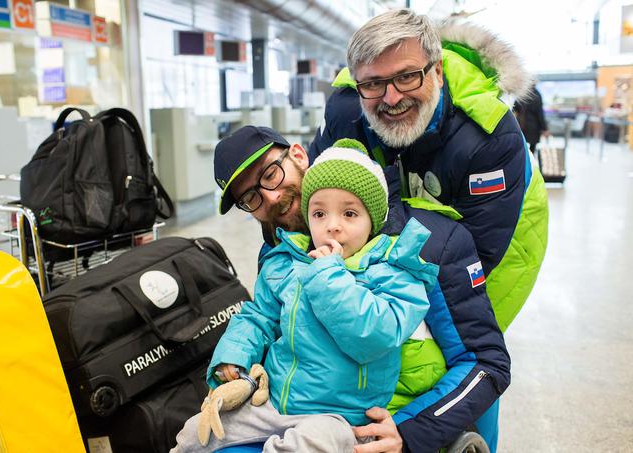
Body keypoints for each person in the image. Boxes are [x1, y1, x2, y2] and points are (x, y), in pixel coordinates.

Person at [207, 125, 510, 453]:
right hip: (288, 411)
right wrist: (234, 362)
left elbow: (484, 361)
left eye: (270, 174)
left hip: (380, 423)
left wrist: (410, 433)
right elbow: (261, 320)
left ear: (297, 155)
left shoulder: (427, 245)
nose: (272, 197)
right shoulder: (279, 253)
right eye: (251, 197)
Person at [172, 142, 441, 452]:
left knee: (306, 445)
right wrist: (233, 358)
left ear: (373, 219)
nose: (333, 226)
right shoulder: (284, 260)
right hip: (273, 402)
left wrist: (329, 275)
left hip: (340, 418)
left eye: (350, 213)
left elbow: (375, 337)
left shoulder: (395, 271)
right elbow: (258, 317)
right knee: (196, 433)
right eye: (319, 213)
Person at [310, 10, 549, 336]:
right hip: (416, 214)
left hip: (505, 240)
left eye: (407, 76)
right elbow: (312, 200)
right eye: (373, 83)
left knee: (440, 356)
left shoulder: (487, 136)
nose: (391, 98)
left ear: (437, 71)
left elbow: (476, 256)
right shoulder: (345, 110)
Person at [513, 83, 550, 152]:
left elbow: (515, 108)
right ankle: (531, 161)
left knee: (522, 148)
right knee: (532, 149)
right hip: (534, 127)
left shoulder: (522, 93)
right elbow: (540, 113)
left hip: (521, 125)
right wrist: (544, 128)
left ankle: (524, 161)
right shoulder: (537, 95)